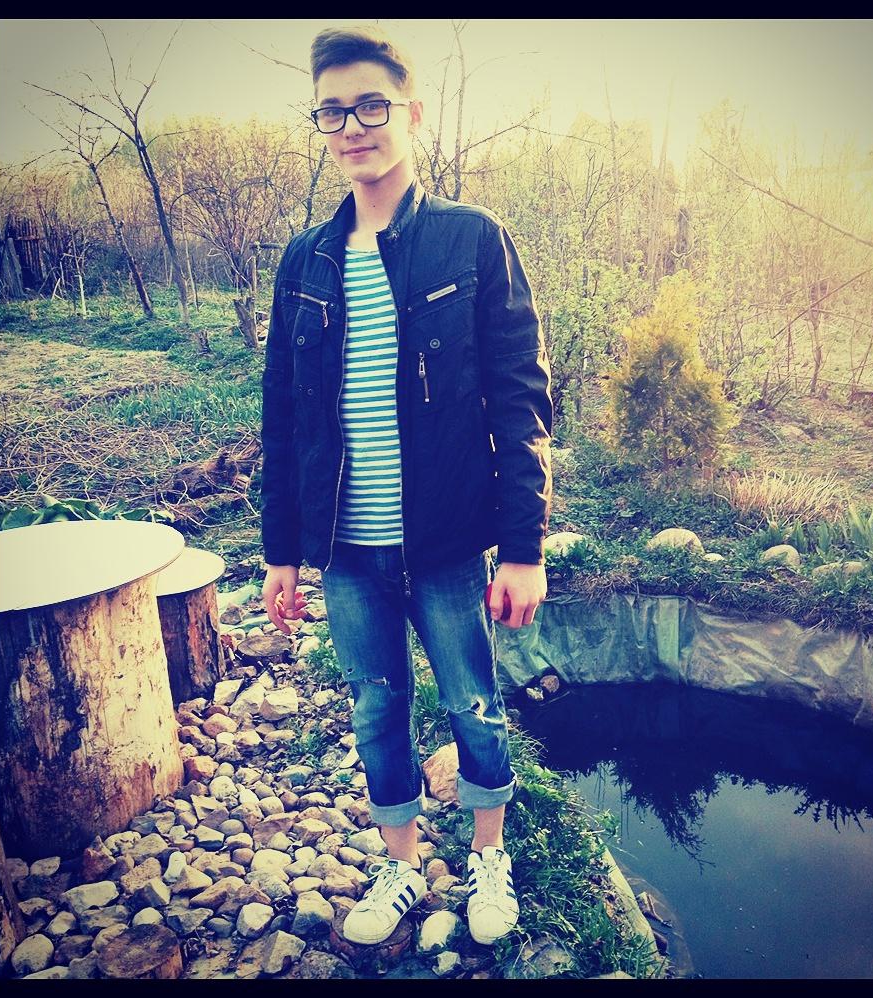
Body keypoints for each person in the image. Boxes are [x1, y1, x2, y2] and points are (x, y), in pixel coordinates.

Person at [260, 23, 553, 947]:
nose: (353, 126)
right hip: (348, 550)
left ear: (411, 113)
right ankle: (399, 866)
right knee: (377, 708)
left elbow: (521, 399)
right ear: (320, 124)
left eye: (371, 106)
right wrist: (280, 551)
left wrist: (525, 547)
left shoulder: (472, 240)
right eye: (332, 111)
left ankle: (488, 856)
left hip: (447, 542)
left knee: (474, 705)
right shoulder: (305, 261)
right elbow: (283, 417)